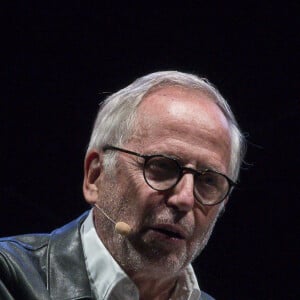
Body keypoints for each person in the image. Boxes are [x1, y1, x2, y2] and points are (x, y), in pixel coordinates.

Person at [0, 71, 245, 300]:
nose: (185, 199)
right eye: (161, 166)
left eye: (209, 181)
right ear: (95, 176)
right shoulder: (10, 277)